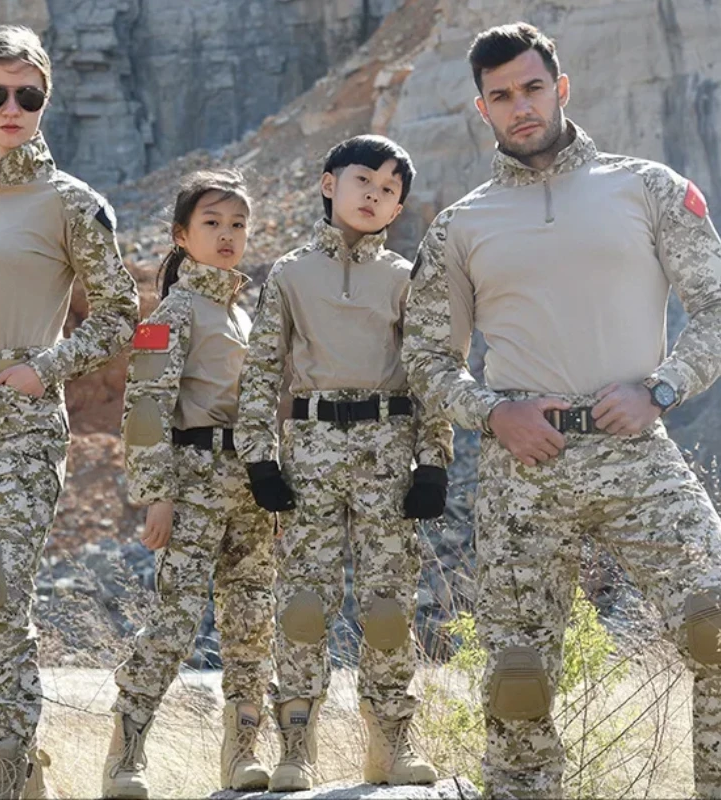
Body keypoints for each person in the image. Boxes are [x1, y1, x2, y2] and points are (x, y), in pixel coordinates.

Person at [403, 22, 721, 799]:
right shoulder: (461, 225)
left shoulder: (647, 187)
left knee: (714, 621)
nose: (521, 107)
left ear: (562, 88)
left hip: (634, 448)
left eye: (533, 88)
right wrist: (491, 414)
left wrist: (661, 389)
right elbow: (426, 358)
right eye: (502, 95)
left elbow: (715, 307)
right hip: (524, 465)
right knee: (518, 678)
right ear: (482, 109)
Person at [0, 24, 139, 799]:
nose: (12, 107)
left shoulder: (73, 202)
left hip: (18, 422)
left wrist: (42, 368)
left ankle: (3, 773)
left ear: (46, 100)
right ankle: (11, 736)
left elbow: (119, 316)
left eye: (29, 95)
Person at [236, 134, 453, 792]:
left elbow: (430, 373)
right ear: (329, 184)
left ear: (398, 209)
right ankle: (296, 748)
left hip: (388, 448)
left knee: (387, 607)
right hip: (311, 450)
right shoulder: (289, 274)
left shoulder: (406, 278)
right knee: (304, 604)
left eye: (389, 191)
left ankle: (392, 743)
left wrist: (433, 461)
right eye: (364, 180)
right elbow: (261, 372)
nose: (374, 196)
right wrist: (260, 458)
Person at [102, 169, 275, 798]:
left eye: (238, 224)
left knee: (251, 623)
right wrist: (157, 495)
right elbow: (146, 407)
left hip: (249, 490)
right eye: (212, 223)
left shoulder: (243, 314)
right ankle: (126, 756)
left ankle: (242, 753)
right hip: (194, 482)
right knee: (174, 623)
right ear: (182, 235)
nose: (227, 235)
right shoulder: (172, 312)